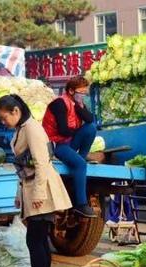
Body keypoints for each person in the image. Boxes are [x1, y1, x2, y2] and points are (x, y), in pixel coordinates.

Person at [0, 95, 72, 267]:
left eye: (4, 117)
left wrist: (38, 194)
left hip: (42, 190)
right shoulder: (22, 128)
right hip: (32, 187)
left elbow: (41, 162)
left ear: (16, 111)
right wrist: (18, 193)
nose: (3, 122)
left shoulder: (32, 128)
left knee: (35, 239)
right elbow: (23, 167)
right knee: (39, 239)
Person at [42, 76, 97, 217]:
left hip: (69, 141)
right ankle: (81, 204)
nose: (83, 95)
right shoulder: (60, 103)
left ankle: (80, 157)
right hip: (57, 144)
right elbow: (63, 130)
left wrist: (79, 105)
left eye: (85, 92)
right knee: (80, 165)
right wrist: (76, 132)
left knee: (91, 128)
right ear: (71, 91)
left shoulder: (76, 103)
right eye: (81, 92)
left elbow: (90, 119)